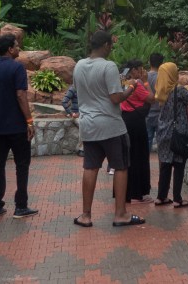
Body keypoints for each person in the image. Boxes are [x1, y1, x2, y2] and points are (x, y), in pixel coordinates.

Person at [71, 29, 146, 228]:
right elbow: (115, 98)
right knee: (120, 167)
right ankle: (120, 214)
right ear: (105, 45)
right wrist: (131, 88)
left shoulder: (78, 65)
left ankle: (85, 215)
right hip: (111, 126)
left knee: (90, 167)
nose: (111, 48)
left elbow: (80, 93)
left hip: (88, 126)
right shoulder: (108, 66)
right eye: (110, 45)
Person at [0, 34, 38, 219]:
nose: (19, 48)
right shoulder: (17, 68)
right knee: (22, 165)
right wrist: (29, 121)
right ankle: (21, 207)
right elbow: (21, 95)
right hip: (18, 127)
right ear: (10, 49)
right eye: (17, 46)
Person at [153, 61, 188, 208]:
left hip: (163, 131)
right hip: (178, 132)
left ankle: (161, 197)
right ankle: (177, 199)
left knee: (165, 164)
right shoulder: (180, 90)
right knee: (178, 165)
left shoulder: (160, 90)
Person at [118, 59, 153, 203]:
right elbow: (152, 98)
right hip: (137, 123)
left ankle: (127, 193)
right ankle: (139, 193)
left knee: (128, 157)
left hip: (125, 121)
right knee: (140, 156)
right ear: (133, 70)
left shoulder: (122, 83)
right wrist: (146, 82)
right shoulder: (136, 84)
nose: (142, 72)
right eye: (140, 69)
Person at [145, 52, 164, 151]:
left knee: (147, 141)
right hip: (160, 113)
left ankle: (144, 165)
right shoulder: (162, 78)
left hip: (147, 113)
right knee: (161, 144)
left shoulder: (144, 77)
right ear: (161, 63)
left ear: (149, 62)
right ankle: (162, 166)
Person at [61, 85, 84, 156]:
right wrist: (71, 113)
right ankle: (81, 149)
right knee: (83, 125)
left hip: (86, 114)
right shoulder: (73, 88)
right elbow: (64, 102)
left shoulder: (87, 86)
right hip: (76, 116)